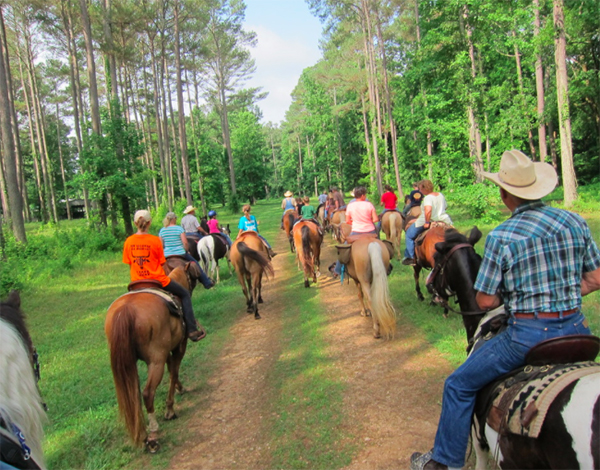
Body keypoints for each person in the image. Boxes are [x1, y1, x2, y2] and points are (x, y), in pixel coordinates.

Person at [410, 149, 600, 470]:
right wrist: (562, 291)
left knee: (457, 384)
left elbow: (485, 302)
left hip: (526, 337)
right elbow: (595, 277)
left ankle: (446, 462)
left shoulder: (502, 235)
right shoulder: (574, 221)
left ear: (504, 193)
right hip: (578, 331)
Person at [123, 210, 206, 342]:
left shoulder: (128, 241)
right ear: (149, 222)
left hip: (137, 282)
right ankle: (191, 330)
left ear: (135, 223)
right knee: (184, 294)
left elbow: (129, 264)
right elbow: (162, 264)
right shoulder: (154, 241)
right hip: (157, 281)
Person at [329, 186, 378, 277]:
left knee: (344, 248)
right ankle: (387, 266)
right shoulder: (369, 204)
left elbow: (348, 221)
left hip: (356, 232)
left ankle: (337, 270)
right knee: (380, 244)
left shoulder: (351, 206)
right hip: (371, 231)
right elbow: (375, 219)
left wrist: (355, 221)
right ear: (363, 195)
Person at [402, 180, 452, 266]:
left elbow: (428, 211)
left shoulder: (428, 198)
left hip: (428, 221)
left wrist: (427, 222)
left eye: (421, 189)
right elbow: (445, 207)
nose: (420, 191)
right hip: (444, 220)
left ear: (425, 188)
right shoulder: (440, 195)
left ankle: (410, 257)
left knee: (409, 235)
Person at [159, 212, 214, 289]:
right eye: (176, 218)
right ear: (174, 219)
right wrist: (186, 250)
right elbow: (185, 242)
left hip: (167, 255)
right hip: (180, 253)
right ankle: (206, 282)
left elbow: (161, 246)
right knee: (195, 263)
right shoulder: (179, 229)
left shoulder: (162, 231)